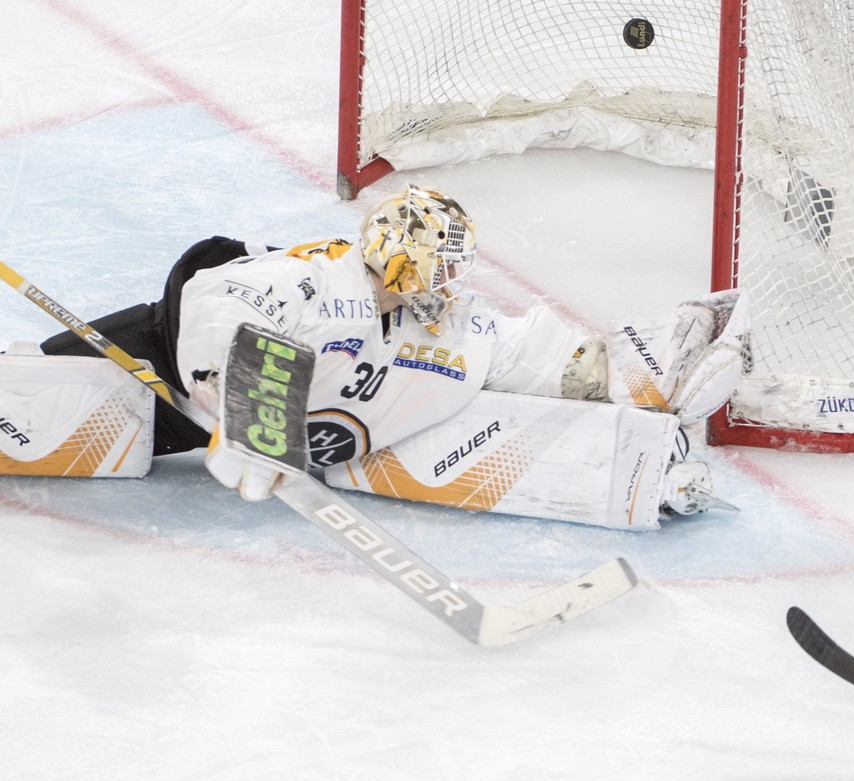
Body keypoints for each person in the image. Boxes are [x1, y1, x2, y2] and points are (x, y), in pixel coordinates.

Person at [16, 184, 746, 526]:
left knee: (100, 441)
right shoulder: (318, 280)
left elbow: (525, 351)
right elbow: (217, 298)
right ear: (402, 256)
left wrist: (632, 374)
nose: (450, 277)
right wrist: (249, 401)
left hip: (193, 425)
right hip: (149, 363)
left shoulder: (445, 323)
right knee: (26, 406)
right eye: (440, 260)